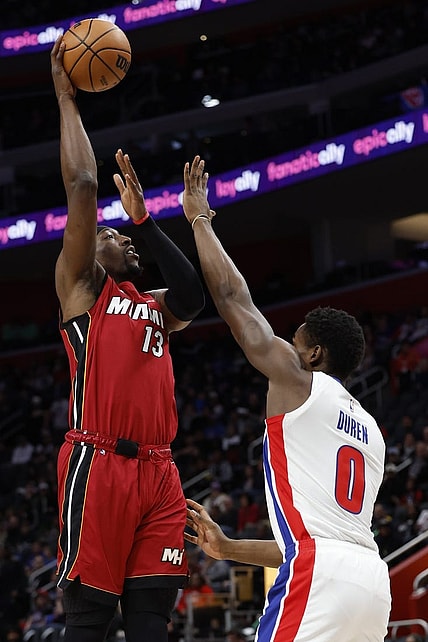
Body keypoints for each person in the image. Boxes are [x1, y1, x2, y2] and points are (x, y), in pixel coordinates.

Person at [181, 156, 391, 641]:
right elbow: (315, 538)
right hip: (371, 583)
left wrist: (199, 218)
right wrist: (230, 548)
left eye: (293, 341)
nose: (284, 350)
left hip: (319, 576)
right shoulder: (373, 432)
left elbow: (234, 299)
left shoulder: (301, 379)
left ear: (314, 353)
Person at [50, 38, 205, 642]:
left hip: (161, 473)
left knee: (150, 624)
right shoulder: (83, 290)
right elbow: (85, 185)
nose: (123, 241)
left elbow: (193, 295)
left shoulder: (152, 306)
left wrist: (142, 218)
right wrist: (67, 99)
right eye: (114, 234)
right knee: (89, 624)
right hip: (99, 461)